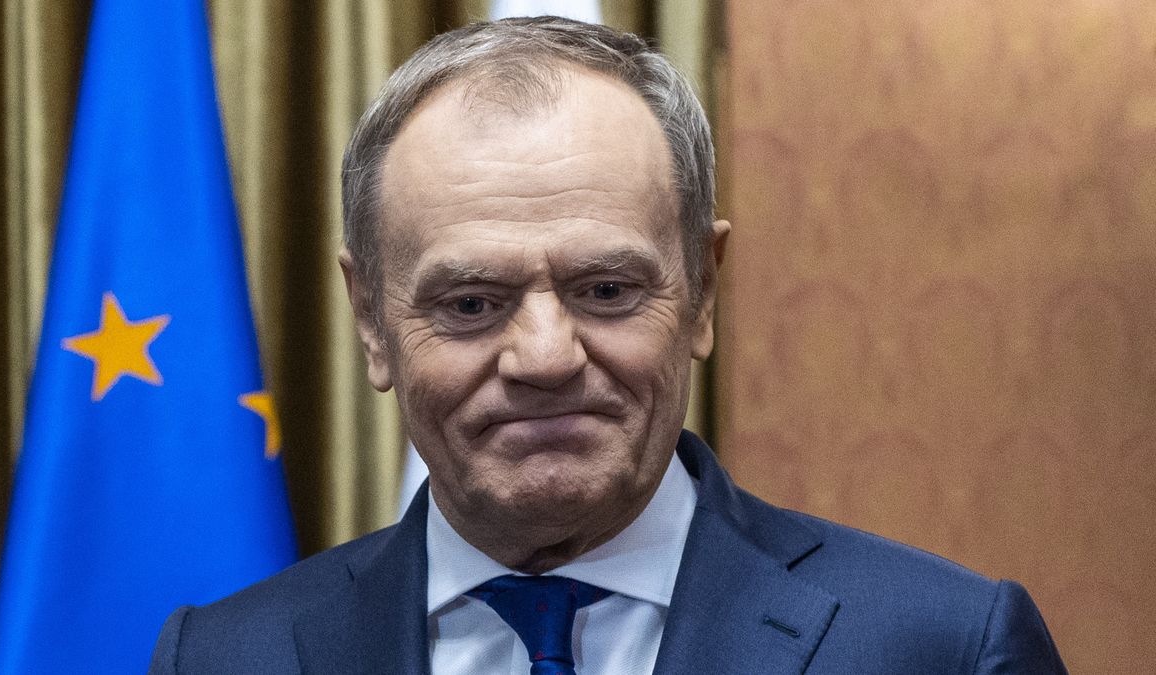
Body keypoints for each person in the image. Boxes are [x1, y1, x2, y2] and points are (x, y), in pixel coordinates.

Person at [150, 17, 1066, 674]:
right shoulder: (225, 656)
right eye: (471, 303)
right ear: (371, 320)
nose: (546, 357)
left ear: (701, 291)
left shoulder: (943, 646)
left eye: (606, 290)